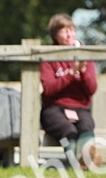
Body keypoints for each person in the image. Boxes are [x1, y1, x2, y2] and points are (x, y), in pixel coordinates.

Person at [40, 13, 99, 165]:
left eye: (71, 30)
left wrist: (84, 71)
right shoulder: (48, 57)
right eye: (64, 30)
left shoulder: (85, 55)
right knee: (68, 131)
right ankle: (76, 161)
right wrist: (71, 73)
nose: (69, 34)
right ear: (55, 35)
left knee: (87, 126)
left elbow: (92, 89)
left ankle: (87, 158)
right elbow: (48, 89)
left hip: (80, 107)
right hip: (54, 108)